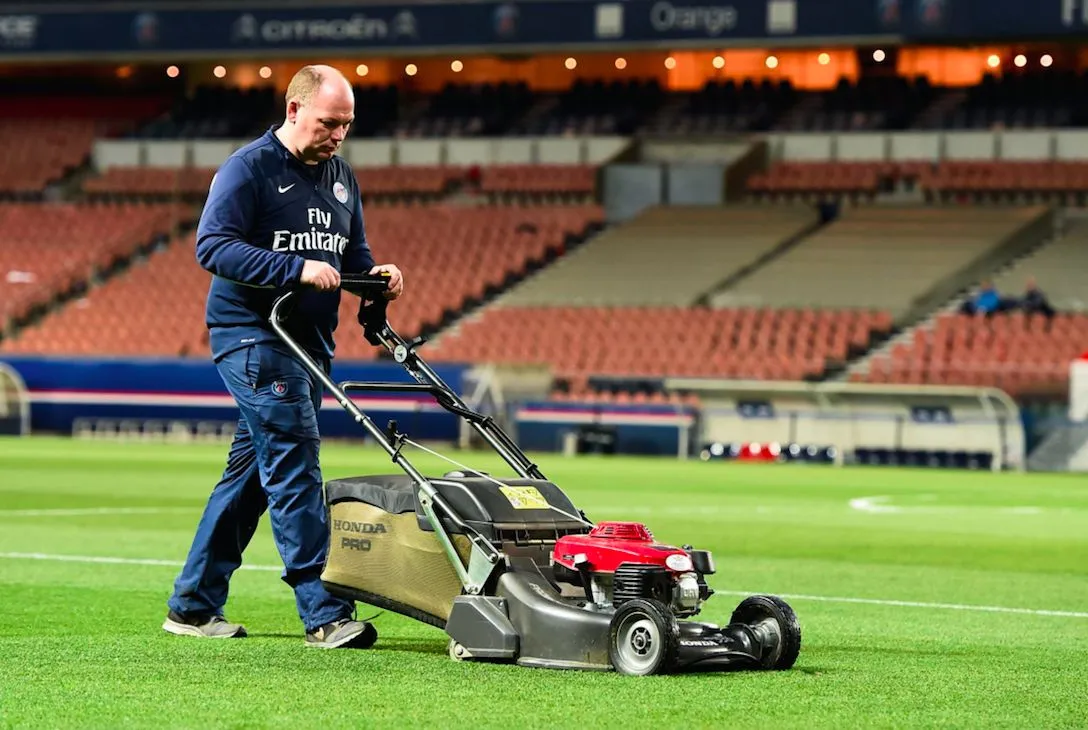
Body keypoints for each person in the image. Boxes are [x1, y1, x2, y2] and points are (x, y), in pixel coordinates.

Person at [162, 65, 404, 649]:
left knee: (248, 479)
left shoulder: (343, 177)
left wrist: (377, 279)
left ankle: (192, 606)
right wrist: (292, 268)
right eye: (328, 122)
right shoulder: (247, 169)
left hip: (307, 349)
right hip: (252, 337)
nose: (338, 134)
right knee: (295, 459)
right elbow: (212, 246)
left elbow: (352, 256)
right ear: (294, 110)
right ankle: (324, 610)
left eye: (346, 124)